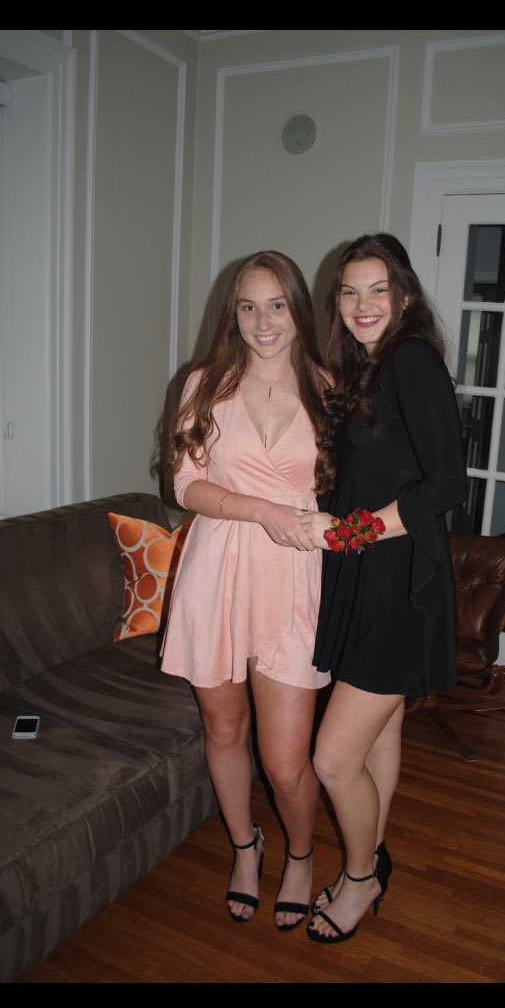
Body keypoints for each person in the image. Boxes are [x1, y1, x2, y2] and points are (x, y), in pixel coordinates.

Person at [300, 233, 467, 944]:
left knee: (332, 758)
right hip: (367, 575)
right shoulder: (366, 368)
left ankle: (362, 876)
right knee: (379, 734)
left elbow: (448, 484)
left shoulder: (410, 360)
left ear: (403, 296)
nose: (363, 305)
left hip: (397, 582)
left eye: (378, 290)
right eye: (349, 292)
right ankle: (371, 855)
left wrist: (352, 533)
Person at [160, 250, 331, 930]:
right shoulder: (204, 383)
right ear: (232, 314)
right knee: (225, 729)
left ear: (298, 311)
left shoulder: (329, 386)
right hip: (218, 572)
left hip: (294, 578)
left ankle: (301, 856)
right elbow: (184, 484)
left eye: (277, 305)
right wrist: (260, 509)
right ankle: (244, 846)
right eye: (248, 306)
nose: (263, 322)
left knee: (286, 763)